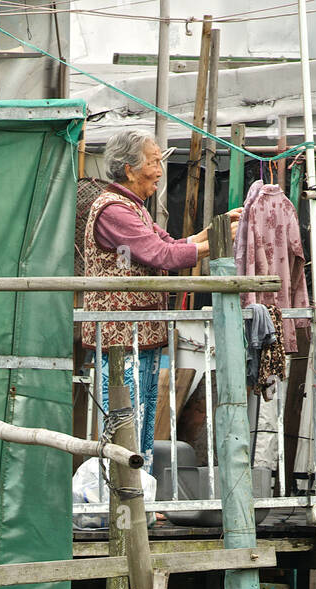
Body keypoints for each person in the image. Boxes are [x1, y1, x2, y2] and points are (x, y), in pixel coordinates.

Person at [82, 129, 239, 471]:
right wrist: (217, 242)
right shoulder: (114, 211)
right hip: (120, 337)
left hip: (142, 333)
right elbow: (161, 254)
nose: (159, 170)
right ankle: (122, 497)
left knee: (144, 420)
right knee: (124, 421)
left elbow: (174, 242)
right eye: (153, 162)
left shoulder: (133, 207)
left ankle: (144, 497)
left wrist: (217, 229)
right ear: (129, 169)